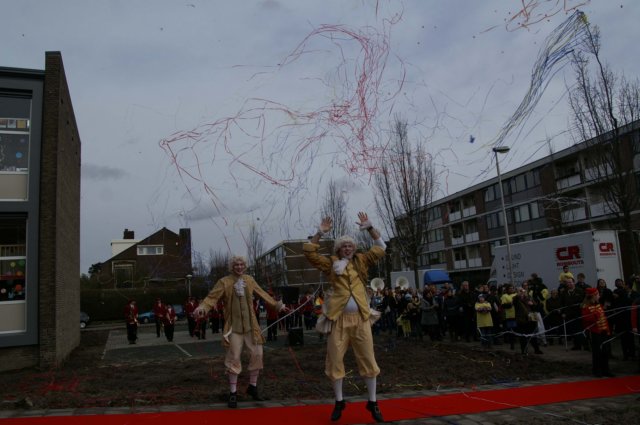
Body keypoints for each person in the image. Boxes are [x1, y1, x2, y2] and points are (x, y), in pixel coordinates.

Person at [303, 212, 386, 423]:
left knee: (368, 359)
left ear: (354, 248)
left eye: (350, 245)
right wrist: (319, 233)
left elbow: (381, 248)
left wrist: (369, 228)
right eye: (343, 246)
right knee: (335, 360)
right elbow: (310, 253)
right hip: (337, 319)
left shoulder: (362, 260)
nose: (347, 248)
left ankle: (373, 402)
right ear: (338, 249)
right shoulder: (331, 263)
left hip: (361, 318)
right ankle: (339, 401)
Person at [193, 255, 286, 409]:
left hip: (251, 327)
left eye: (242, 264)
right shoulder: (224, 282)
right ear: (232, 266)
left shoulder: (249, 280)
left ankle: (253, 387)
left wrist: (278, 306)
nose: (239, 267)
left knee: (258, 355)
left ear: (245, 265)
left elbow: (262, 294)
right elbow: (211, 298)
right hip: (233, 329)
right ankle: (233, 393)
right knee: (234, 359)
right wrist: (202, 308)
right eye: (236, 264)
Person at [582, 287, 614, 377]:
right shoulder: (586, 307)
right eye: (597, 294)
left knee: (605, 351)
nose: (599, 296)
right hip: (595, 332)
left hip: (604, 331)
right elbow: (586, 319)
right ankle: (597, 370)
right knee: (597, 352)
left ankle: (606, 370)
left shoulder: (598, 304)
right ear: (593, 296)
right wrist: (596, 315)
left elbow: (603, 317)